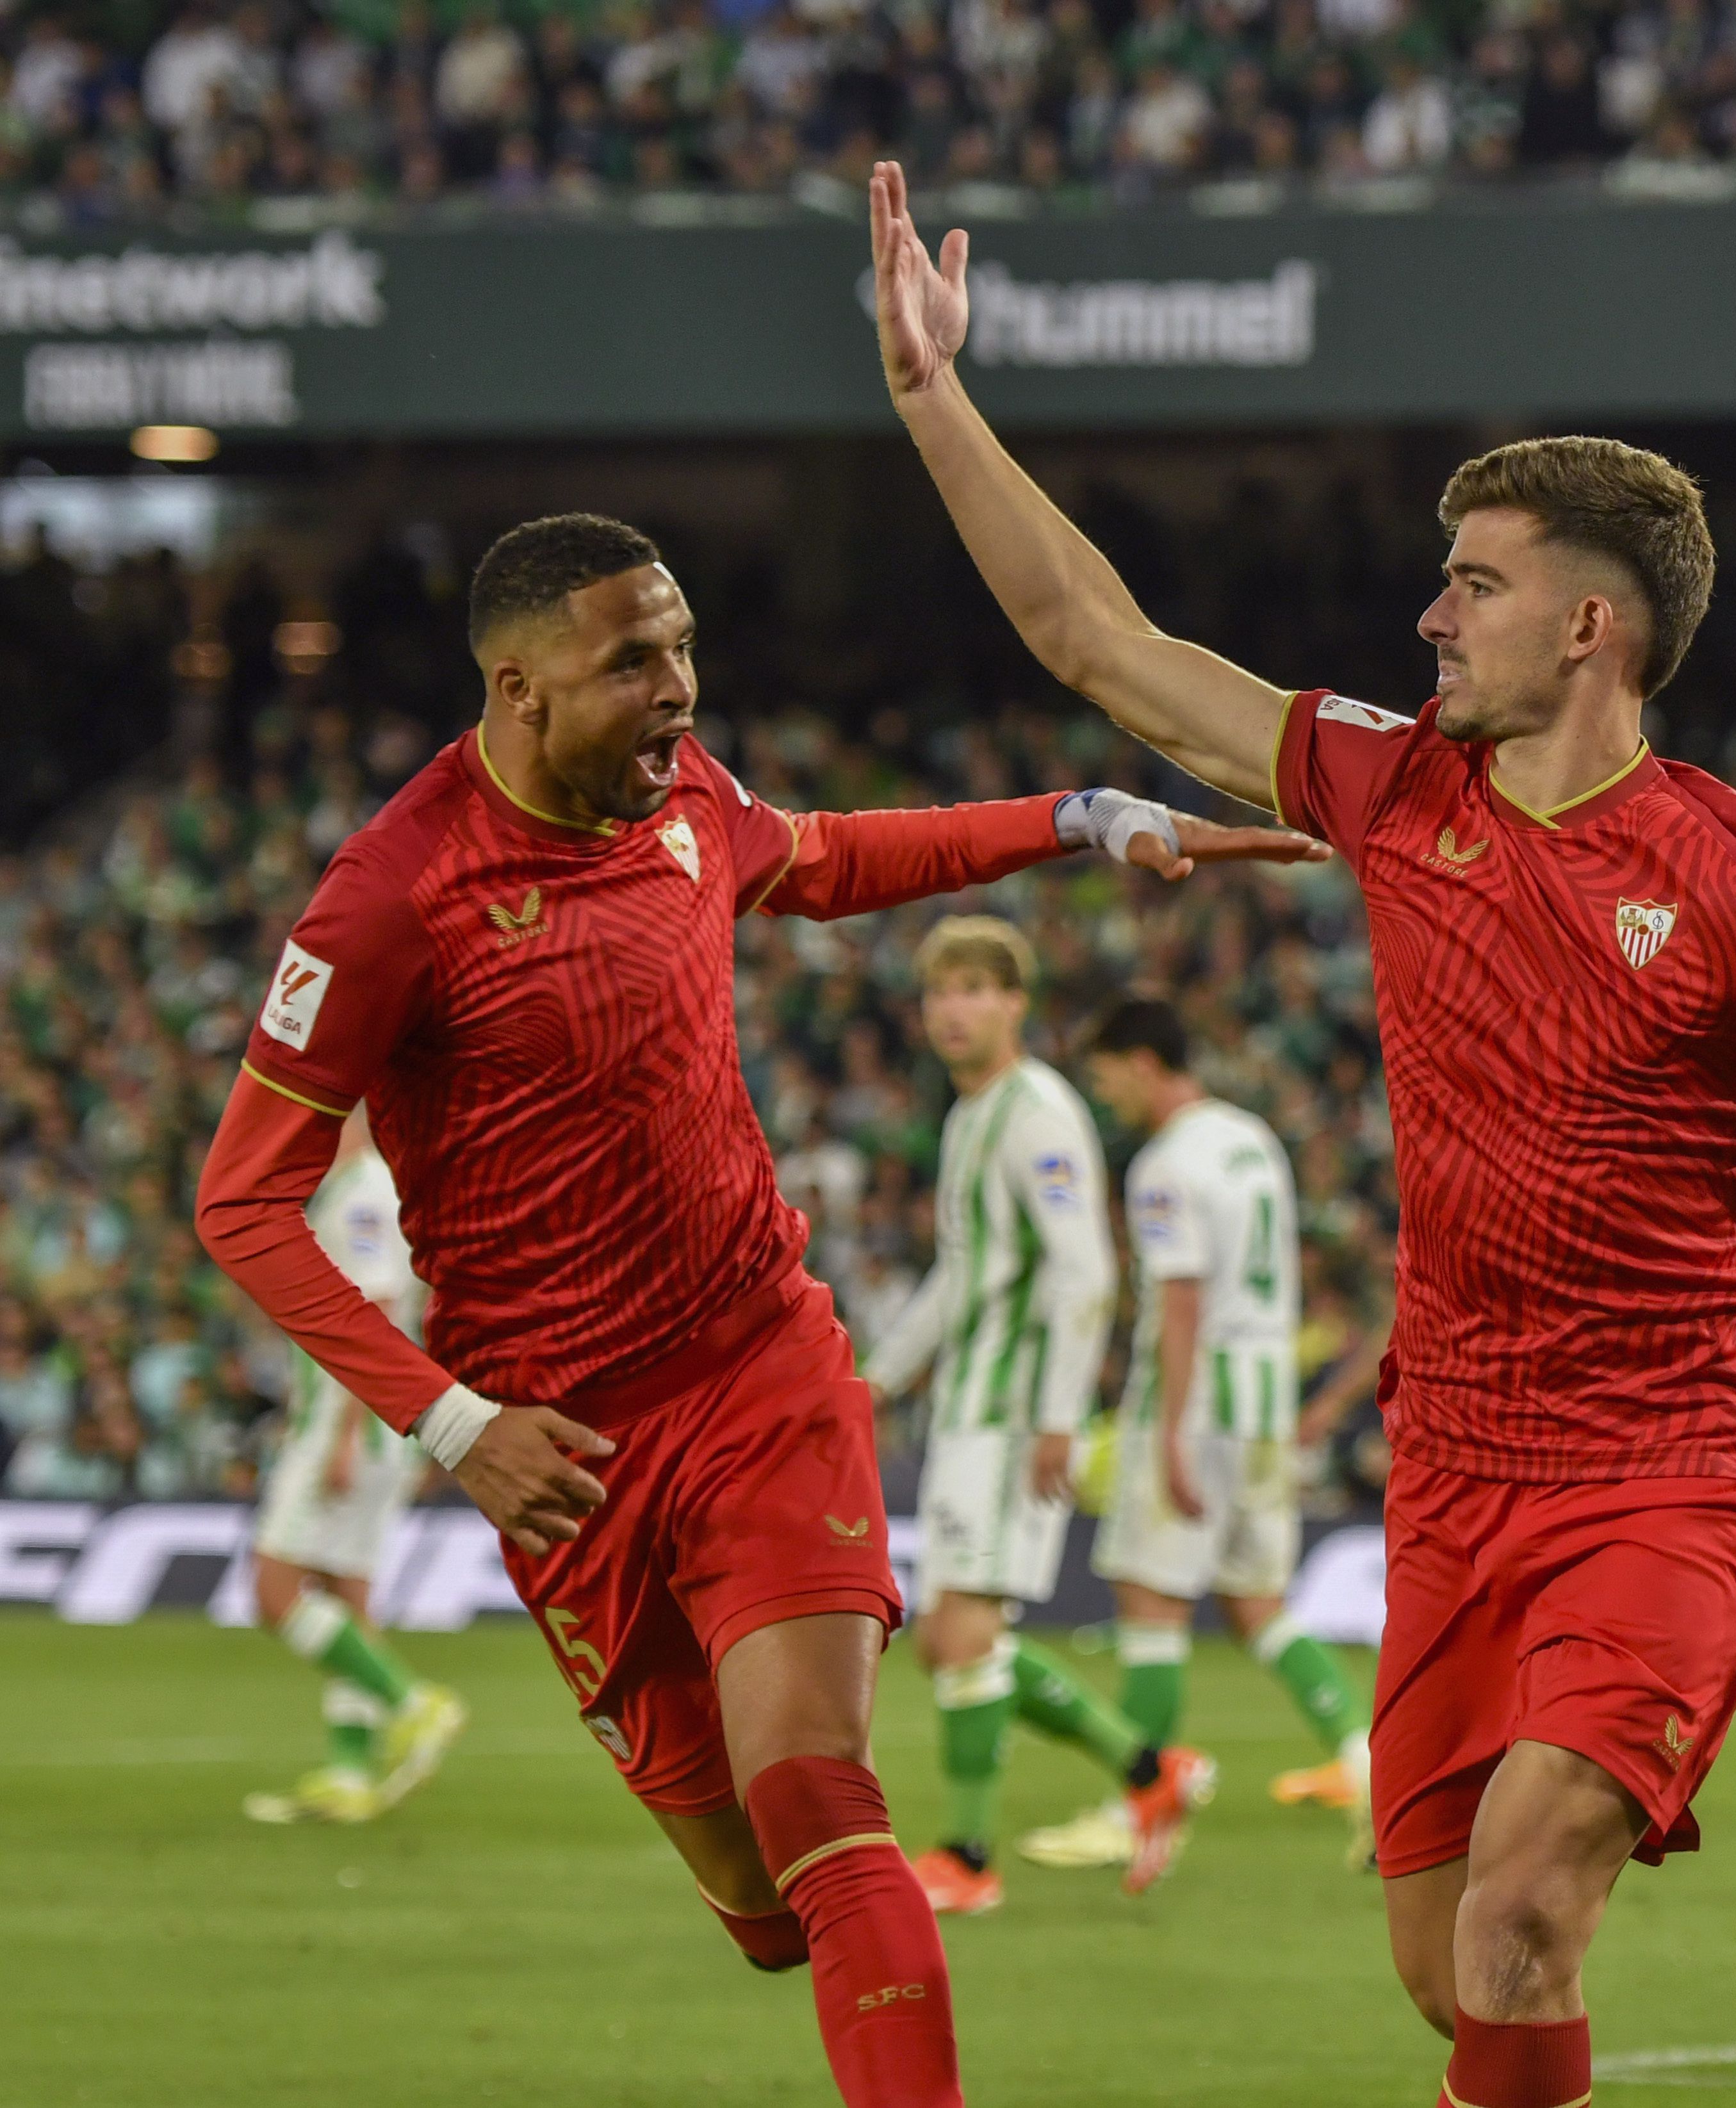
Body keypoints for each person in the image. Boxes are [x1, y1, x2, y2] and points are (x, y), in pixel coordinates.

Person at [871, 159, 1736, 2108]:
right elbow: (1099, 642)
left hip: (1668, 1468)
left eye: (1471, 583)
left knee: (1517, 1918)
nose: (1430, 615)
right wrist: (929, 396)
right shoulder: (1395, 789)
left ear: (1591, 625)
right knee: (1448, 1964)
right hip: (1455, 1467)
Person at [193, 510, 1321, 2108]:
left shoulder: (682, 804)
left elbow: (830, 856)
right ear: (518, 691)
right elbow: (238, 1204)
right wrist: (453, 1426)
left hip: (758, 1372)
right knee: (759, 1914)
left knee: (821, 1800)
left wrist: (1080, 815)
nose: (680, 691)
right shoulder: (392, 898)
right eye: (633, 662)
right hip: (559, 1451)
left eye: (683, 646)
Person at [860, 915, 1209, 1916]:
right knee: (950, 1639)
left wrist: (1058, 1413)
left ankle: (969, 1857)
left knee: (963, 1633)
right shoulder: (972, 1114)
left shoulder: (1038, 1112)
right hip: (971, 1406)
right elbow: (961, 1271)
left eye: (976, 987)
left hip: (1015, 1414)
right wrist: (879, 1378)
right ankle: (1148, 1770)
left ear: (1015, 1002)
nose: (954, 1008)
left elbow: (1085, 1269)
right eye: (939, 991)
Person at [1074, 993, 1374, 1872]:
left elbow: (1181, 1293)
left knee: (1150, 1597)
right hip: (1262, 1398)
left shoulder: (1164, 1164)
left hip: (1198, 1399)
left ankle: (1142, 1808)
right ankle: (1364, 1761)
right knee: (1257, 1604)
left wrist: (1167, 1430)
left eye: (1105, 1075)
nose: (1106, 1094)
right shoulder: (1250, 1137)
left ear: (1141, 1061)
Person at [241, 1106, 469, 1827]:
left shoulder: (366, 1189)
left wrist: (339, 1435)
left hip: (354, 1424)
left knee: (275, 1592)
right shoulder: (349, 1188)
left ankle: (412, 1702)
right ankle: (350, 1771)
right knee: (346, 1599)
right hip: (370, 1426)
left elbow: (374, 1305)